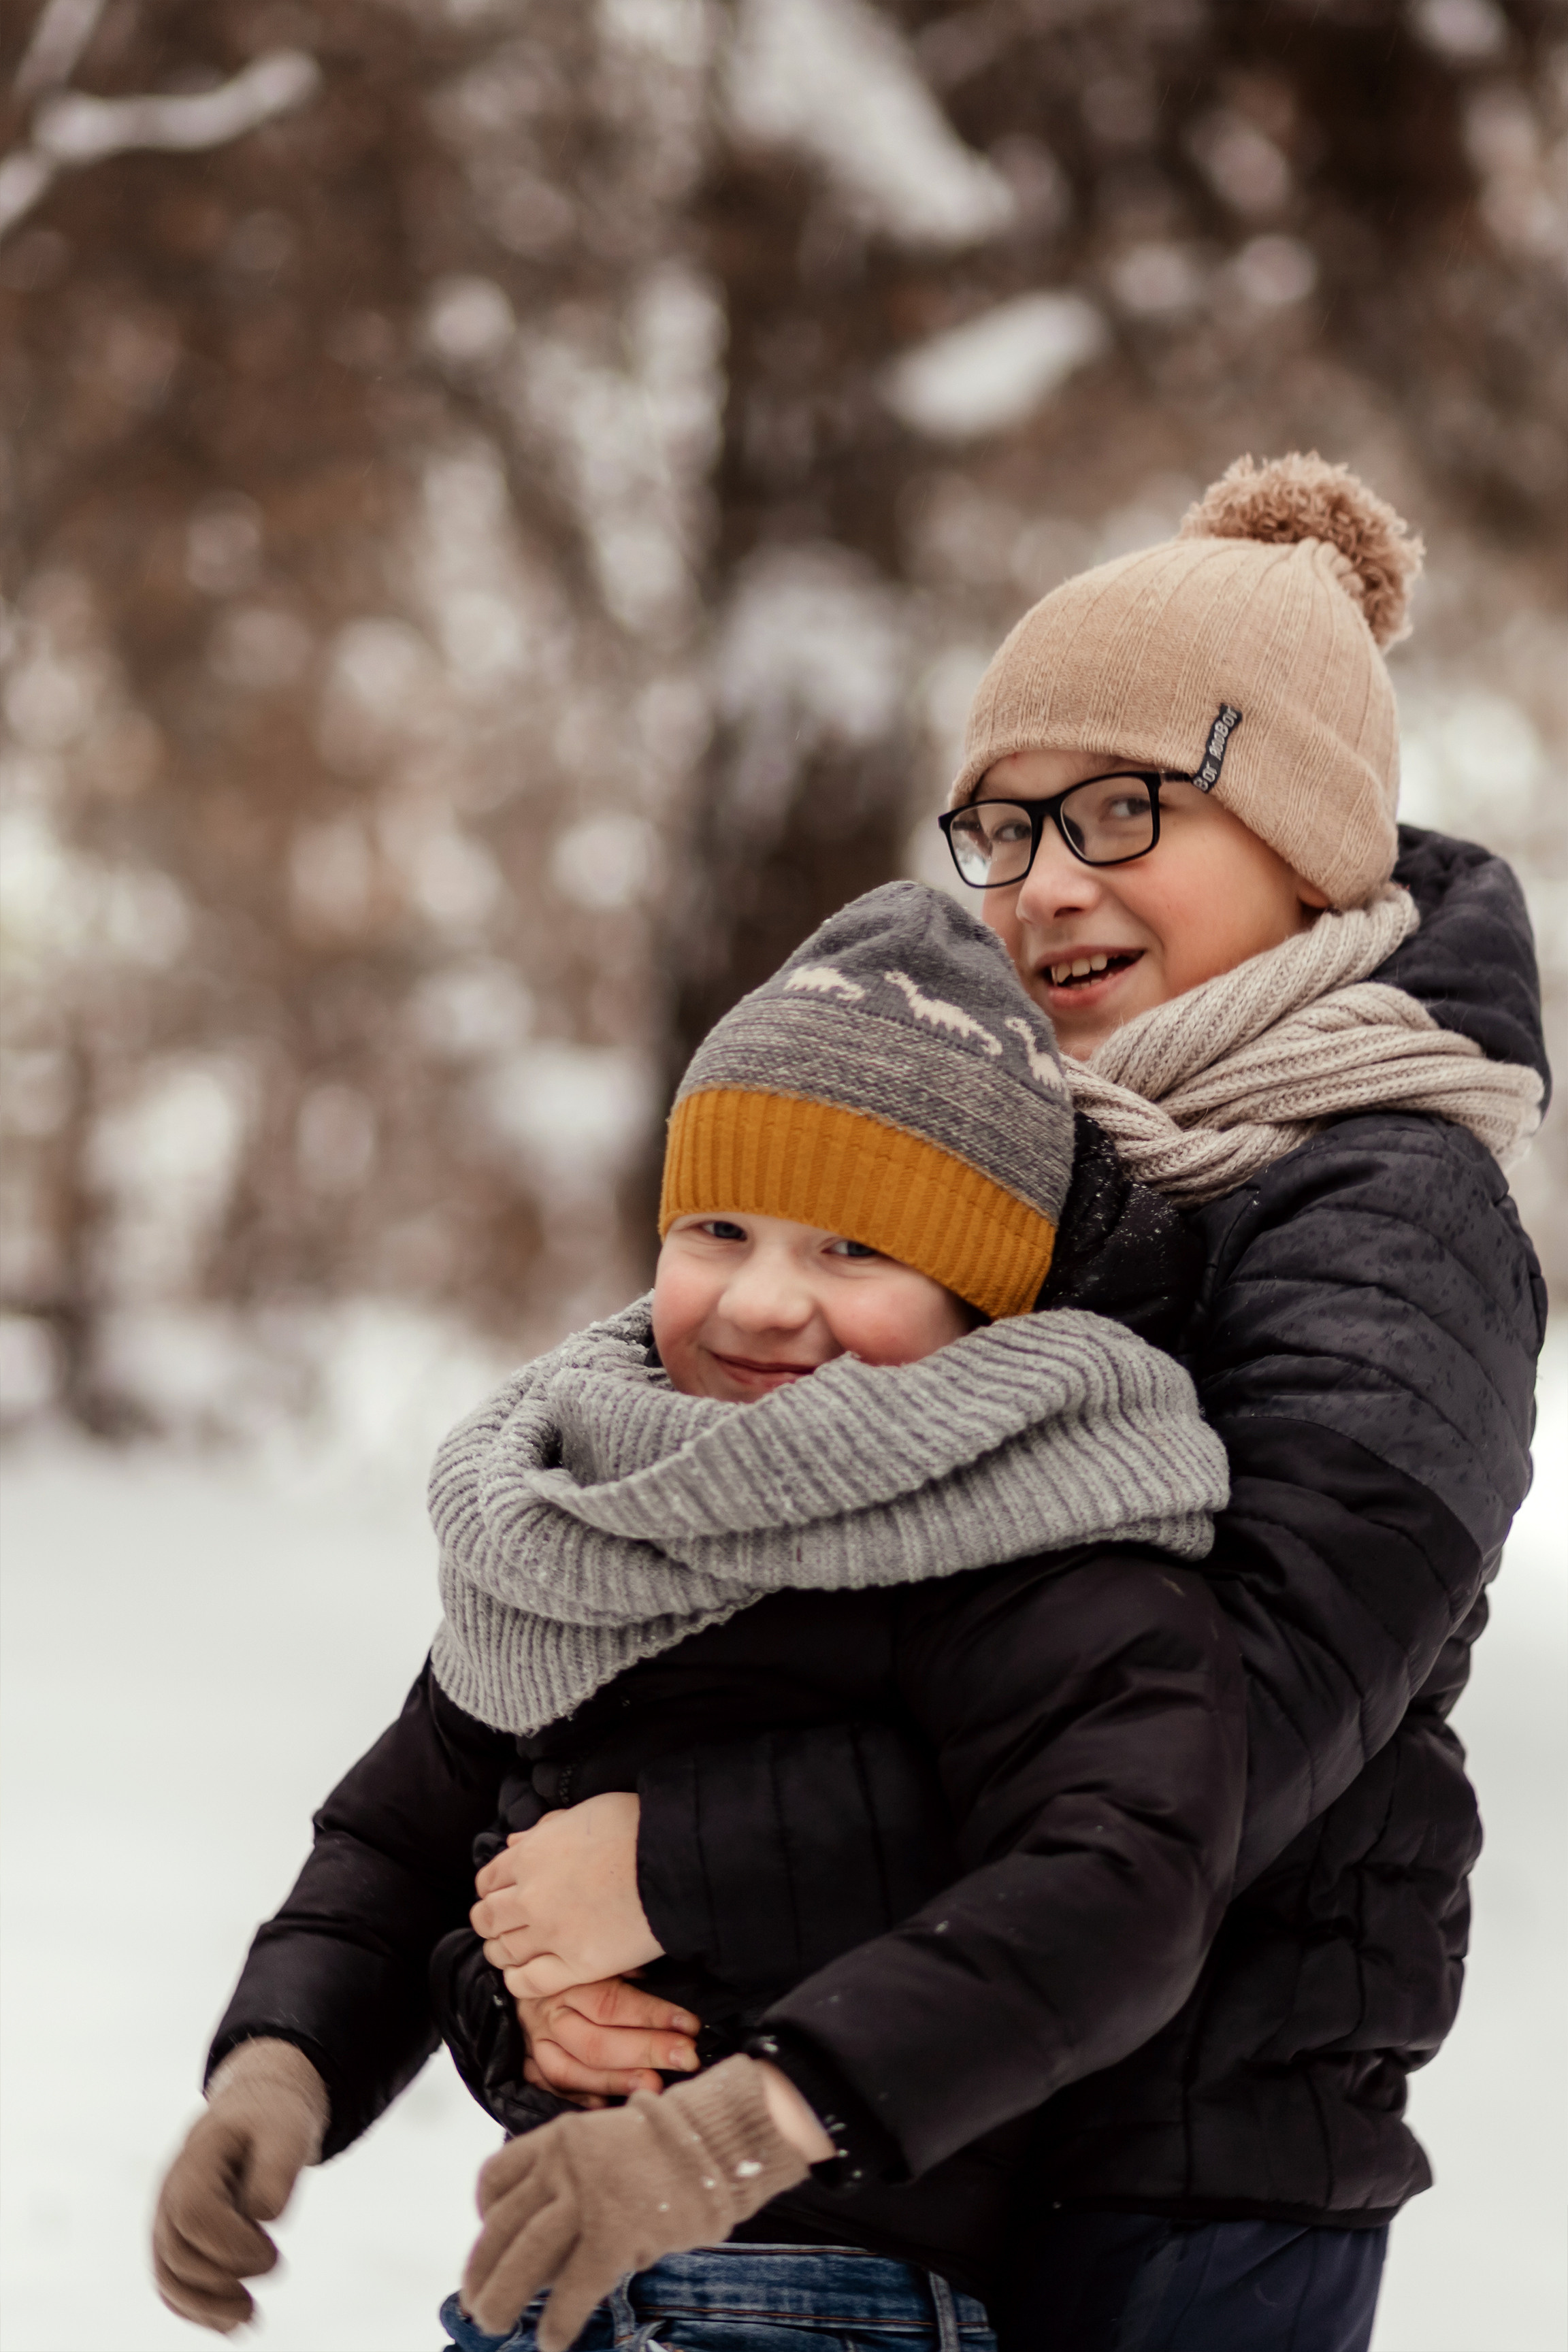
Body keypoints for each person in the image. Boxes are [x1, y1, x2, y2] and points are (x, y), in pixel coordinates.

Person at [480, 453, 1548, 2352]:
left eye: (1122, 810)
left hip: (1200, 2169)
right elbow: (777, 1621)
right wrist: (523, 1971)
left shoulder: (1392, 1202)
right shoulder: (1026, 1169)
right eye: (1001, 827)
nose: (1047, 883)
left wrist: (673, 1864)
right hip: (949, 2110)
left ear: (1305, 833)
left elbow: (1220, 1734)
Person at [152, 884, 1245, 2351]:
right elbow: (407, 1833)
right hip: (550, 2283)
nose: (763, 1301)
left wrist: (735, 2123)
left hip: (835, 2296)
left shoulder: (1038, 1533)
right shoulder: (592, 1520)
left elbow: (1115, 1881)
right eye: (717, 1228)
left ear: (982, 1290)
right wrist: (281, 2067)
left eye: (855, 1249)